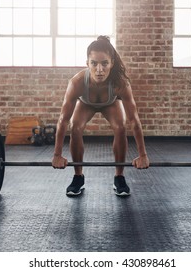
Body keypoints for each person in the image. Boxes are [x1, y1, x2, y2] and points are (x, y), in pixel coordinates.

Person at [52, 35, 149, 196]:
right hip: (85, 103)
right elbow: (63, 120)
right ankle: (78, 177)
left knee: (120, 127)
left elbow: (134, 120)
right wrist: (57, 155)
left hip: (111, 103)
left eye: (104, 63)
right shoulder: (76, 82)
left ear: (112, 63)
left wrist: (143, 155)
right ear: (87, 64)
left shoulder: (121, 83)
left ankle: (119, 177)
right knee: (75, 127)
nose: (99, 69)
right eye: (94, 63)